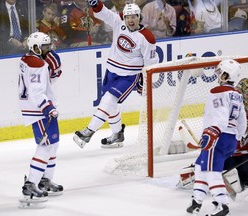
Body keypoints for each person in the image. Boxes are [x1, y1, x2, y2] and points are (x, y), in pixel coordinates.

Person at [73, 1, 159, 148]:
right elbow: (105, 14)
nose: (130, 20)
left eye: (134, 17)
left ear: (139, 17)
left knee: (108, 100)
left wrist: (144, 82)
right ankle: (117, 134)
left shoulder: (147, 37)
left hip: (129, 76)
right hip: (111, 71)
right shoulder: (119, 21)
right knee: (110, 106)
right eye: (128, 17)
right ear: (124, 17)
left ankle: (88, 131)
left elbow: (151, 62)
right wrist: (96, 4)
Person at [186, 59, 247, 215]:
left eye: (221, 73)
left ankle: (222, 204)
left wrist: (212, 132)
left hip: (218, 136)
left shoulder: (217, 91)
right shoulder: (238, 94)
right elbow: (242, 119)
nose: (219, 76)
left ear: (227, 75)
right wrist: (239, 136)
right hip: (230, 138)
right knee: (200, 166)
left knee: (212, 171)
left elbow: (220, 116)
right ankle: (197, 200)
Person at [18, 32, 63, 199]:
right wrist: (48, 108)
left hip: (36, 107)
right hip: (39, 110)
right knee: (46, 147)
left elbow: (44, 82)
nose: (48, 49)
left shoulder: (27, 59)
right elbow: (37, 91)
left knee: (54, 143)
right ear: (35, 47)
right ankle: (31, 183)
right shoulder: (38, 64)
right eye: (45, 47)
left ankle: (45, 179)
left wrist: (52, 71)